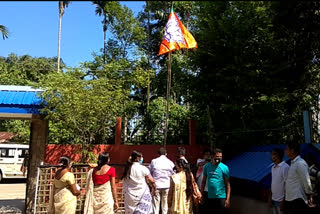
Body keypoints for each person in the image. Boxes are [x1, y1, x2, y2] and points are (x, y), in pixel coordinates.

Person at [284, 141, 313, 214]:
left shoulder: (300, 163)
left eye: (287, 149)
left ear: (292, 150)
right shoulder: (293, 163)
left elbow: (306, 180)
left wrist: (309, 194)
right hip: (290, 200)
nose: (285, 151)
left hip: (298, 200)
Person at [200, 148, 231, 214]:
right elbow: (203, 181)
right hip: (209, 196)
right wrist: (201, 195)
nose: (219, 158)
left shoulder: (224, 168)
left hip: (221, 197)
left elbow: (227, 184)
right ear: (212, 156)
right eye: (217, 157)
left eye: (220, 157)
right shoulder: (206, 166)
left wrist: (227, 199)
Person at [149, 147, 175, 214]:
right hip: (167, 186)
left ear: (158, 154)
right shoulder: (170, 162)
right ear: (166, 154)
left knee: (155, 205)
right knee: (165, 205)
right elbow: (174, 174)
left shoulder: (154, 161)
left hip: (156, 186)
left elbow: (150, 172)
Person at [268, 148, 289, 214]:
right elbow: (272, 183)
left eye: (274, 154)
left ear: (279, 155)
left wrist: (283, 201)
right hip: (273, 200)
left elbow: (288, 185)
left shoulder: (285, 167)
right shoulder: (273, 167)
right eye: (271, 154)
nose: (272, 156)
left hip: (281, 201)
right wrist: (270, 197)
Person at [196, 149, 211, 213]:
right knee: (201, 201)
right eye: (206, 155)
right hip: (200, 185)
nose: (207, 156)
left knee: (208, 204)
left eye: (208, 155)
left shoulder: (212, 162)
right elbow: (199, 164)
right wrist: (206, 160)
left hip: (209, 187)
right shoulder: (200, 160)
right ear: (203, 155)